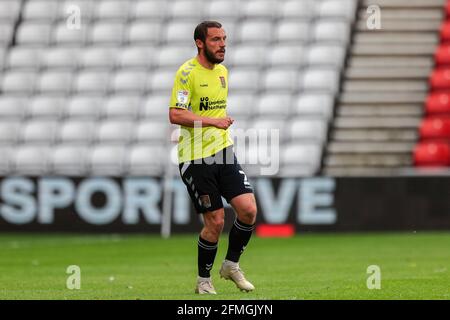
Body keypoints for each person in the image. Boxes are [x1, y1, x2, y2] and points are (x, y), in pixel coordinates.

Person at [169, 21, 258, 294]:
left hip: (223, 151)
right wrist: (212, 122)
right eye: (216, 40)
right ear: (200, 43)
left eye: (224, 39)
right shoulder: (187, 73)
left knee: (248, 210)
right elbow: (176, 114)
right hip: (195, 159)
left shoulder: (222, 72)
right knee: (216, 222)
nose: (223, 45)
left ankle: (231, 265)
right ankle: (203, 281)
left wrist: (217, 127)